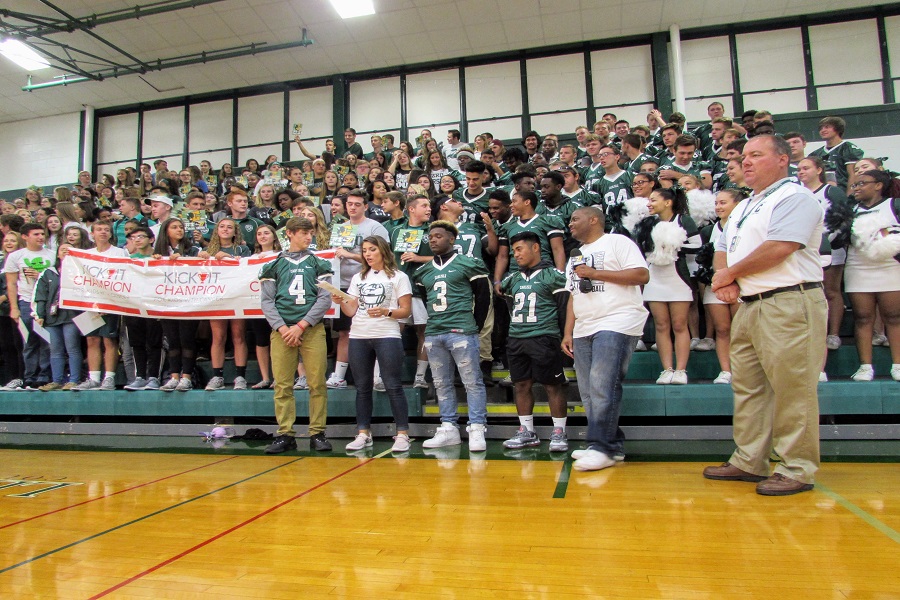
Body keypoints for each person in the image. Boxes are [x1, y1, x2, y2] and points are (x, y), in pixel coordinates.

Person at [703, 135, 826, 496]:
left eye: (757, 155)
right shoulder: (743, 206)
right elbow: (722, 246)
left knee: (793, 389)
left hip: (790, 300)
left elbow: (781, 247)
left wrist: (728, 275)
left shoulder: (796, 197)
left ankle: (797, 467)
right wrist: (724, 280)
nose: (748, 162)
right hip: (750, 303)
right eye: (744, 157)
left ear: (784, 159)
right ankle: (750, 460)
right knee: (749, 387)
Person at [561, 206, 649, 471]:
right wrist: (568, 332)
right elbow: (573, 295)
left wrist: (595, 273)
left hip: (617, 320)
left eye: (575, 219)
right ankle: (609, 445)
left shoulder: (617, 242)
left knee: (603, 385)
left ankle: (603, 447)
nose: (570, 224)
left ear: (594, 219)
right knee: (588, 391)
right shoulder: (575, 256)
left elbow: (641, 275)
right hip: (583, 327)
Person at [414, 221, 491, 453]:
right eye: (431, 237)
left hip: (462, 331)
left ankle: (477, 427)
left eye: (438, 236)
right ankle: (448, 427)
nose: (433, 240)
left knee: (472, 381)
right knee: (440, 382)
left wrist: (473, 326)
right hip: (435, 332)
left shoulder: (469, 264)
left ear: (451, 239)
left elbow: (484, 298)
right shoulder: (422, 271)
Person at [259, 217, 334, 454]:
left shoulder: (320, 263)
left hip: (311, 329)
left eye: (310, 233)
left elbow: (324, 298)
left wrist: (301, 325)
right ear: (289, 234)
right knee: (282, 384)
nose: (308, 237)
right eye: (303, 233)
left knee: (317, 383)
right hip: (281, 332)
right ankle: (285, 434)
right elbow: (267, 301)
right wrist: (283, 328)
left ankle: (317, 433)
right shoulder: (272, 265)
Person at [337, 236, 414, 453]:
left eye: (372, 250)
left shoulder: (399, 276)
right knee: (362, 387)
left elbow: (405, 310)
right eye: (365, 251)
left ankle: (402, 434)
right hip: (359, 335)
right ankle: (363, 433)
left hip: (387, 334)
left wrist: (385, 311)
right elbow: (351, 311)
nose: (368, 254)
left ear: (382, 251)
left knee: (393, 385)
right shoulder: (359, 277)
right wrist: (341, 300)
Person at [500, 232, 570, 452]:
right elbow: (509, 307)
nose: (515, 255)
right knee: (520, 384)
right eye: (513, 251)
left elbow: (564, 307)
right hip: (517, 337)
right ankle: (526, 431)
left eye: (519, 249)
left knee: (552, 385)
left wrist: (563, 336)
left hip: (545, 336)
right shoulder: (511, 280)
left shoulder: (554, 275)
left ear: (536, 248)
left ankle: (559, 431)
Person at [326, 189, 390, 389]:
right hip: (344, 284)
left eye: (357, 204)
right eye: (349, 204)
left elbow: (384, 256)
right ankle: (339, 375)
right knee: (345, 332)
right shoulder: (340, 228)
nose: (352, 207)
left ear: (365, 206)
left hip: (371, 283)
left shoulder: (375, 227)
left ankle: (378, 376)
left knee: (376, 330)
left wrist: (351, 255)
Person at [843, 169, 900, 382]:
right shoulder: (848, 209)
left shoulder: (895, 205)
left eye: (862, 183)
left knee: (894, 317)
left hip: (889, 266)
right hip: (859, 267)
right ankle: (865, 366)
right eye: (855, 185)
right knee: (863, 317)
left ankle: (898, 365)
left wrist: (888, 236)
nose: (856, 188)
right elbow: (839, 240)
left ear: (878, 185)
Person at [73, 221, 129, 391]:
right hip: (90, 304)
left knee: (109, 340)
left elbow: (125, 277)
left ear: (111, 234)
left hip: (111, 304)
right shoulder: (84, 255)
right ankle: (93, 378)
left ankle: (109, 378)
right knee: (91, 340)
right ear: (92, 234)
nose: (103, 232)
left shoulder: (120, 253)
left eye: (106, 230)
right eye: (99, 230)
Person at [198, 218, 252, 391]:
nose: (226, 229)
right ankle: (217, 376)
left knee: (238, 336)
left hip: (237, 296)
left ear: (235, 232)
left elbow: (248, 269)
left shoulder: (243, 249)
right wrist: (202, 260)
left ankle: (241, 377)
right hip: (217, 298)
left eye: (230, 227)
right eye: (222, 226)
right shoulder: (208, 250)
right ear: (217, 230)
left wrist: (229, 258)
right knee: (218, 337)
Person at [153, 218, 201, 391]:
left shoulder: (192, 249)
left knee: (186, 338)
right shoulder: (157, 252)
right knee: (172, 340)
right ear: (166, 231)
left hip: (188, 302)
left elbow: (203, 264)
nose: (179, 230)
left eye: (181, 227)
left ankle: (186, 376)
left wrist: (184, 259)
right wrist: (156, 262)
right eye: (174, 227)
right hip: (167, 303)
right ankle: (174, 376)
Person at [4, 223, 55, 389]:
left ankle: (44, 375)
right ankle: (30, 376)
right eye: (36, 234)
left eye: (42, 234)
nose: (40, 237)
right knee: (29, 342)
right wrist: (14, 307)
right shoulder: (15, 256)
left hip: (47, 303)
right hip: (26, 301)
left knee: (46, 340)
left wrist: (41, 274)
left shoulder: (52, 254)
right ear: (25, 236)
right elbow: (11, 283)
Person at [33, 244, 83, 391]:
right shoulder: (48, 273)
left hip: (72, 316)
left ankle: (74, 380)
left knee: (72, 348)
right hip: (51, 317)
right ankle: (56, 380)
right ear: (58, 254)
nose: (66, 252)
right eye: (63, 250)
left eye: (69, 249)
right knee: (55, 349)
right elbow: (40, 296)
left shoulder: (81, 271)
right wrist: (40, 315)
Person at [122, 227, 163, 391]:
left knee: (154, 342)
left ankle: (154, 377)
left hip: (154, 306)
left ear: (151, 239)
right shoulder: (128, 261)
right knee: (136, 342)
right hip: (133, 307)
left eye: (141, 236)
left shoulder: (159, 258)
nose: (137, 240)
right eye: (133, 237)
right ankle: (139, 376)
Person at [810, 116, 864, 192]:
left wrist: (849, 197)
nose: (823, 130)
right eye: (821, 128)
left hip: (843, 192)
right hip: (823, 195)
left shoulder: (848, 148)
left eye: (827, 127)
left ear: (838, 129)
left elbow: (853, 175)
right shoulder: (816, 154)